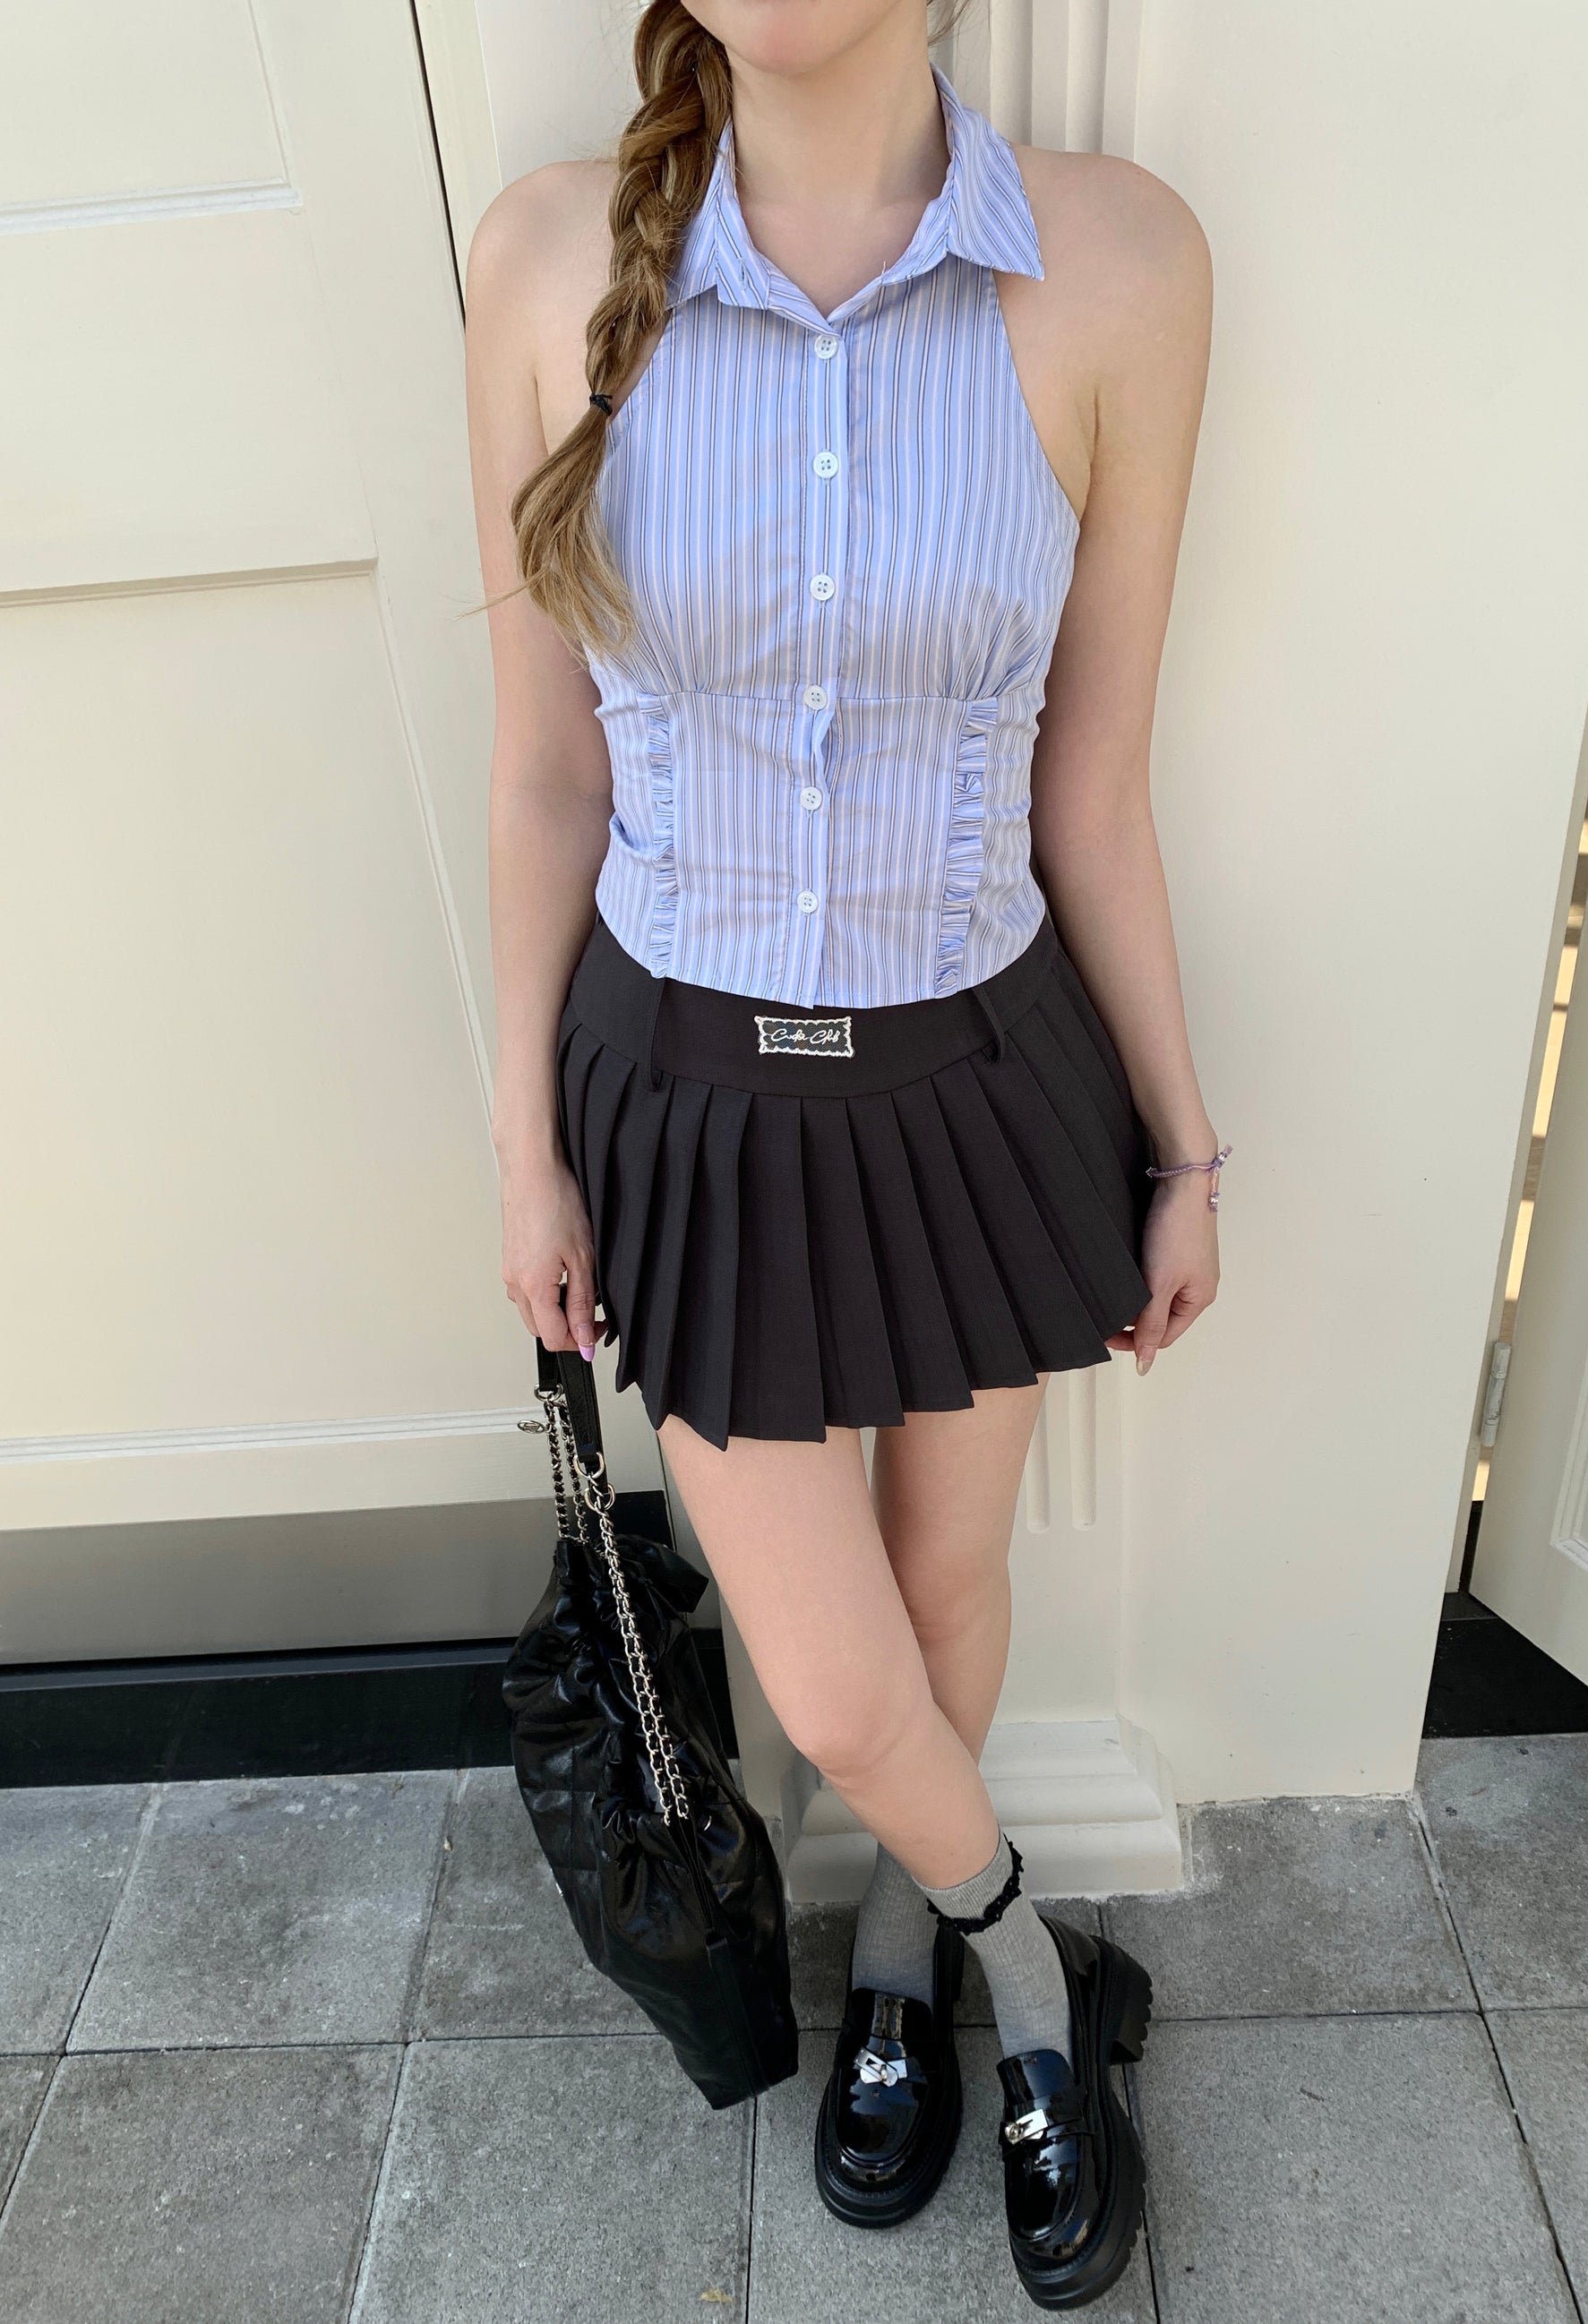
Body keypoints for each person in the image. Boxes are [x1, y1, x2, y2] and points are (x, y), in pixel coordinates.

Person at [466, 0, 1220, 2305]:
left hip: (983, 1080)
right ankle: (1030, 1973)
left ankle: (895, 1948)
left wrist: (1187, 1143)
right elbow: (544, 776)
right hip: (689, 1105)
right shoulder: (543, 260)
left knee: (948, 1573)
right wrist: (523, 1144)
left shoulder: (1116, 265)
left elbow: (1094, 785)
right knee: (832, 1675)